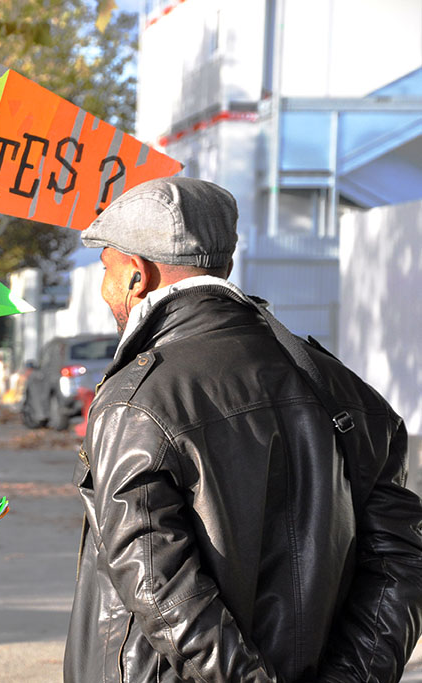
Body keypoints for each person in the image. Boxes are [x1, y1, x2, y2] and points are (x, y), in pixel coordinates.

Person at [63, 176, 422, 682]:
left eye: (107, 269)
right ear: (223, 266)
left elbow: (157, 587)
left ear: (135, 276)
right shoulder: (345, 388)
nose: (105, 290)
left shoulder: (137, 400)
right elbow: (399, 565)